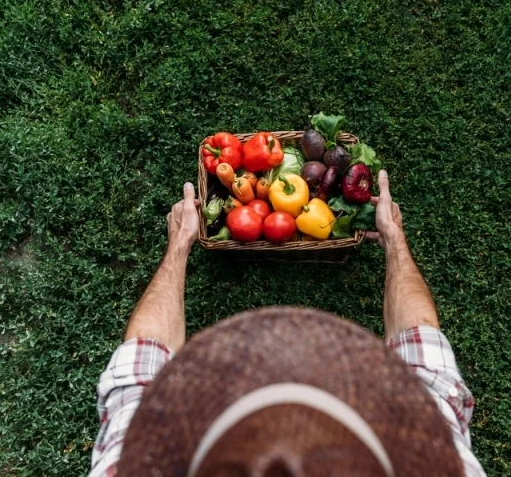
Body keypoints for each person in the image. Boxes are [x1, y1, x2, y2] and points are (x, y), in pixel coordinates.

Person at [89, 171, 485, 476]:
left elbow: (138, 368)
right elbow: (424, 354)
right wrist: (394, 237)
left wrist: (180, 242)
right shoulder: (444, 459)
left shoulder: (130, 465)